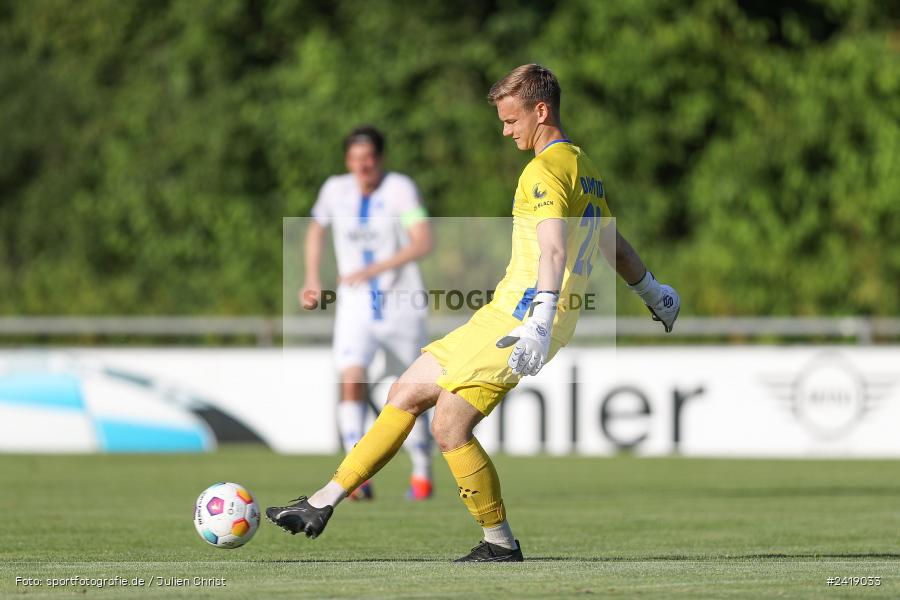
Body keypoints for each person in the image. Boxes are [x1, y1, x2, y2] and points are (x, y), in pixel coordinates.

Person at [269, 65, 680, 561]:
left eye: (512, 120)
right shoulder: (583, 167)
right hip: (504, 312)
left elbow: (552, 253)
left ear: (541, 111)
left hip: (523, 319)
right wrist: (653, 291)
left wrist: (540, 323)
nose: (507, 131)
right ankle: (323, 500)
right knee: (405, 390)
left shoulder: (544, 170)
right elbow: (612, 243)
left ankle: (499, 544)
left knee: (448, 425)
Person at [299, 125, 435, 501]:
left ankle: (422, 472)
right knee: (351, 375)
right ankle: (355, 474)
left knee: (412, 389)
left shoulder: (400, 190)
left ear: (380, 159)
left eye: (369, 159)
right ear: (347, 161)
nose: (362, 167)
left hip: (401, 303)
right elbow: (315, 231)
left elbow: (423, 240)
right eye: (355, 160)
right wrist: (312, 278)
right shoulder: (334, 190)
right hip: (355, 304)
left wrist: (373, 270)